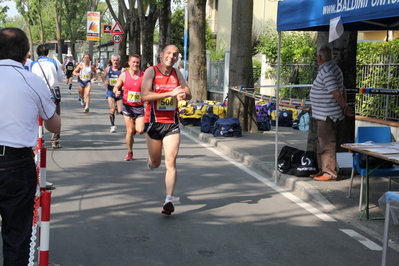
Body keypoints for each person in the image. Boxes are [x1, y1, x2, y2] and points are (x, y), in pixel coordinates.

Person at [0, 27, 61, 266]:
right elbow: (54, 125)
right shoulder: (32, 80)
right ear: (26, 54)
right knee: (16, 237)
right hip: (16, 165)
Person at [141, 44, 192, 215]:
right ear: (161, 55)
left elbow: (188, 91)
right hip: (154, 122)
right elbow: (145, 95)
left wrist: (184, 94)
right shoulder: (151, 72)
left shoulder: (177, 73)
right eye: (169, 53)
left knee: (171, 161)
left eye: (175, 54)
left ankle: (168, 200)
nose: (172, 56)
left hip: (171, 123)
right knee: (156, 163)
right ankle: (151, 159)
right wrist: (168, 94)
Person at [310, 44, 354, 181]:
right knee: (322, 142)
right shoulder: (332, 68)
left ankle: (329, 173)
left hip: (327, 114)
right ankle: (322, 169)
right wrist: (344, 106)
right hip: (324, 113)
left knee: (327, 143)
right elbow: (343, 89)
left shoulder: (328, 71)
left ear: (319, 57)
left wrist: (344, 107)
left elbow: (336, 92)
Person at [31, 44, 65, 149]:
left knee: (36, 118)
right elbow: (61, 78)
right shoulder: (53, 63)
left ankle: (39, 139)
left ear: (37, 53)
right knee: (54, 116)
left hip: (37, 93)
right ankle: (55, 141)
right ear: (47, 53)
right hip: (52, 93)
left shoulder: (33, 64)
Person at [113, 54, 145, 161]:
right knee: (130, 131)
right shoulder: (124, 75)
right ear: (129, 63)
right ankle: (130, 152)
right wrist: (117, 91)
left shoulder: (143, 75)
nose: (135, 64)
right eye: (134, 62)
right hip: (127, 106)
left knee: (140, 130)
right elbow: (116, 87)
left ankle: (135, 126)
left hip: (139, 107)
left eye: (137, 62)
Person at [102, 54, 126, 133]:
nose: (115, 62)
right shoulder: (108, 69)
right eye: (114, 60)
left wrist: (123, 86)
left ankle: (118, 109)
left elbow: (126, 80)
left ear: (119, 61)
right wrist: (104, 81)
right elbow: (103, 75)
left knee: (120, 111)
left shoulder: (122, 70)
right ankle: (112, 126)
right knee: (112, 109)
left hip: (119, 92)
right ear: (111, 61)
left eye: (117, 60)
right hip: (110, 92)